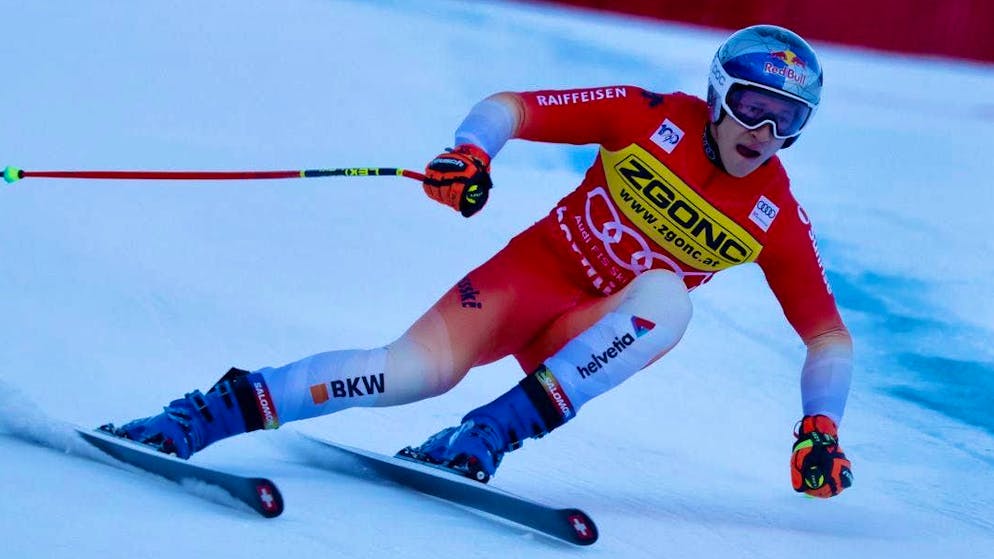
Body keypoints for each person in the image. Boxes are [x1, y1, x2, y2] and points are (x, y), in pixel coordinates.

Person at [107, 24, 854, 498]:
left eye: (789, 120)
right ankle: (204, 414)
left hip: (588, 334)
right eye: (755, 105)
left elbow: (828, 336)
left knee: (668, 299)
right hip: (527, 281)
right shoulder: (648, 114)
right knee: (403, 372)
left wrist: (820, 424)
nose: (765, 130)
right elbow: (511, 105)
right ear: (720, 94)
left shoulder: (774, 214)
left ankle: (488, 433)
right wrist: (470, 153)